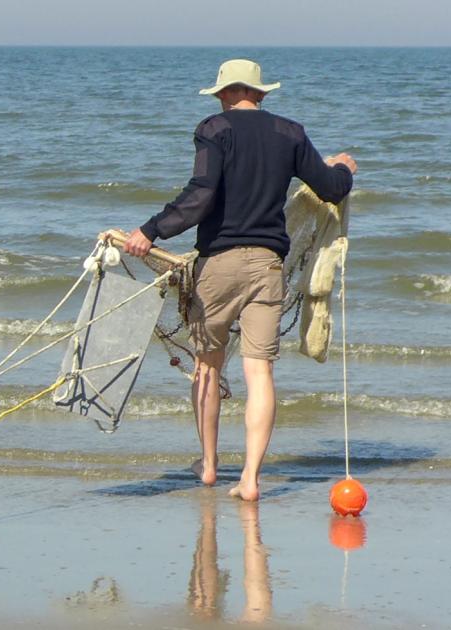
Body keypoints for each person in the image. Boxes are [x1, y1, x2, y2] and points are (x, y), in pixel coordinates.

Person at [123, 59, 357, 501]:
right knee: (259, 372)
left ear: (225, 93)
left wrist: (150, 230)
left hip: (217, 266)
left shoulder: (214, 129)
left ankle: (210, 465)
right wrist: (344, 168)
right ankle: (250, 479)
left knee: (206, 367)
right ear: (261, 93)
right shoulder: (291, 133)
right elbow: (329, 187)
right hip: (267, 268)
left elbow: (200, 195)